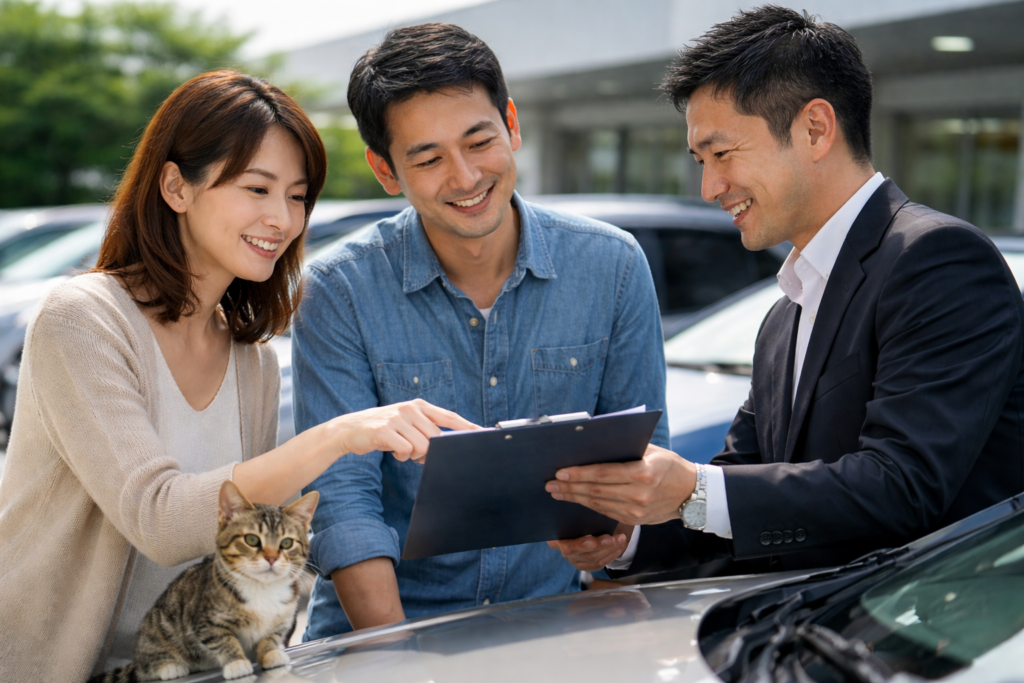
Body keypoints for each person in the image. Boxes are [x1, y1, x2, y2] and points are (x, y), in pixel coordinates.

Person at [0, 70, 474, 683]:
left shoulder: (250, 360)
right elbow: (161, 519)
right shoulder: (84, 320)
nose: (282, 218)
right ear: (175, 186)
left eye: (298, 196)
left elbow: (244, 545)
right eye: (257, 188)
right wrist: (340, 435)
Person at [546, 6, 1024, 577]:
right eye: (701, 161)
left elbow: (902, 484)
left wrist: (691, 488)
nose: (709, 187)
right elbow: (746, 489)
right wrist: (626, 536)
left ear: (815, 129)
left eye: (722, 154)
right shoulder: (784, 314)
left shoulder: (937, 258)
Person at [292, 23, 669, 639]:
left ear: (512, 124)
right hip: (381, 634)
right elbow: (343, 501)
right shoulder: (339, 290)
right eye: (429, 157)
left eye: (479, 141)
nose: (465, 177)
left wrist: (613, 543)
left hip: (545, 624)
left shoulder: (614, 266)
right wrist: (394, 657)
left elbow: (640, 462)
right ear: (386, 171)